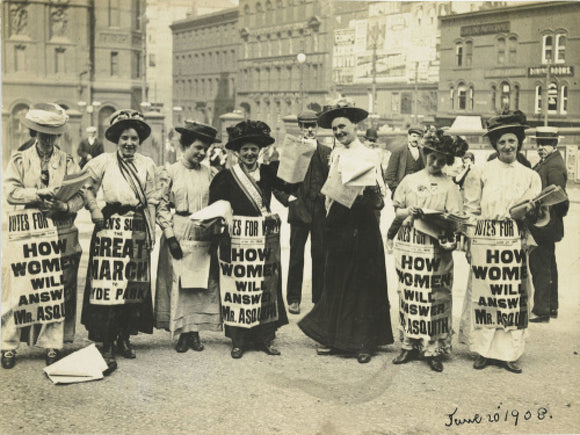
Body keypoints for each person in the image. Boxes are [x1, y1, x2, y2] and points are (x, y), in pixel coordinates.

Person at [298, 101, 394, 364]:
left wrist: (368, 193)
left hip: (362, 222)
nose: (339, 131)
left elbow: (379, 193)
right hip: (339, 222)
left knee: (363, 281)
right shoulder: (335, 154)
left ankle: (363, 341)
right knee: (336, 278)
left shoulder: (369, 154)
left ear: (355, 126)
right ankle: (333, 337)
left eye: (343, 127)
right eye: (335, 128)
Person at [2, 103, 84, 369]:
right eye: (42, 133)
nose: (47, 140)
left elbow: (81, 194)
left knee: (54, 289)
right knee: (19, 289)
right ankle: (8, 344)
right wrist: (37, 194)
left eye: (52, 134)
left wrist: (64, 206)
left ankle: (52, 344)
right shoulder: (19, 159)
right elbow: (10, 191)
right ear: (33, 133)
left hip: (58, 230)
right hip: (26, 230)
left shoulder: (68, 161)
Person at [459, 110, 542, 374]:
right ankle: (483, 350)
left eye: (512, 141)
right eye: (502, 142)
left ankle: (509, 353)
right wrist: (470, 242)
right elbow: (470, 209)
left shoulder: (530, 176)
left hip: (513, 238)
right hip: (485, 237)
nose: (507, 146)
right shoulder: (480, 171)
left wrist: (531, 214)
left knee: (510, 296)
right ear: (495, 145)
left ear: (519, 143)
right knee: (486, 295)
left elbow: (538, 212)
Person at [81, 110, 159, 374]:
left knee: (132, 286)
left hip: (136, 226)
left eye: (134, 138)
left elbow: (152, 200)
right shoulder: (103, 161)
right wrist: (94, 208)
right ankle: (105, 340)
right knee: (107, 285)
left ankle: (124, 337)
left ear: (140, 141)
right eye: (124, 137)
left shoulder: (147, 164)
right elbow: (84, 186)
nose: (129, 143)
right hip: (109, 228)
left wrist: (151, 232)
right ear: (117, 139)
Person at [209, 120, 289, 359]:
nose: (250, 153)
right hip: (238, 242)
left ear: (260, 151)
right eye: (245, 149)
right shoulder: (225, 177)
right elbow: (217, 209)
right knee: (239, 289)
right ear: (237, 153)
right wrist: (222, 235)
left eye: (254, 149)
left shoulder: (269, 172)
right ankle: (238, 340)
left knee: (265, 287)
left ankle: (265, 337)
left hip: (264, 241)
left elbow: (290, 184)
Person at [390, 130, 464, 372]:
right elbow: (397, 210)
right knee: (411, 294)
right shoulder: (410, 180)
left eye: (441, 161)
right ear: (425, 154)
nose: (436, 164)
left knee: (434, 296)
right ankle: (409, 344)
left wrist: (442, 219)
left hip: (436, 247)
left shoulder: (450, 185)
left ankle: (433, 349)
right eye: (432, 158)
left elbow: (455, 220)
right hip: (410, 244)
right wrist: (409, 212)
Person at [155, 121, 222, 352]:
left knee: (200, 282)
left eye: (205, 149)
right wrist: (170, 235)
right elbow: (161, 206)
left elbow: (218, 205)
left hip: (203, 229)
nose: (202, 153)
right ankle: (182, 332)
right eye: (198, 148)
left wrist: (216, 234)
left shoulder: (211, 173)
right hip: (180, 227)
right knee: (180, 282)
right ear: (185, 146)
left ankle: (195, 332)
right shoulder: (170, 172)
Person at [276, 109, 330, 315]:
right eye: (305, 126)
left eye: (313, 126)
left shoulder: (326, 152)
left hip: (320, 212)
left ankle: (318, 298)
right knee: (296, 256)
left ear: (317, 127)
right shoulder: (292, 151)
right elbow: (278, 184)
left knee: (320, 255)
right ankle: (293, 298)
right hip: (299, 211)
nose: (309, 130)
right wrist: (288, 200)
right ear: (300, 128)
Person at [528, 127, 569, 322]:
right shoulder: (550, 161)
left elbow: (559, 197)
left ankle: (542, 309)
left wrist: (544, 212)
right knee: (548, 265)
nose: (540, 148)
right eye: (538, 144)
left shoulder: (553, 166)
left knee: (540, 266)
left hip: (544, 224)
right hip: (548, 225)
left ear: (554, 144)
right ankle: (550, 307)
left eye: (545, 144)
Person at [385, 126, 426, 245]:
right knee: (400, 217)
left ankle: (412, 243)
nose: (416, 139)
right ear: (408, 137)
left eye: (418, 137)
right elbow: (389, 175)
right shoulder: (398, 151)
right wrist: (395, 189)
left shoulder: (423, 152)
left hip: (418, 190)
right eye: (413, 136)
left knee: (417, 217)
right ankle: (390, 237)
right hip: (401, 190)